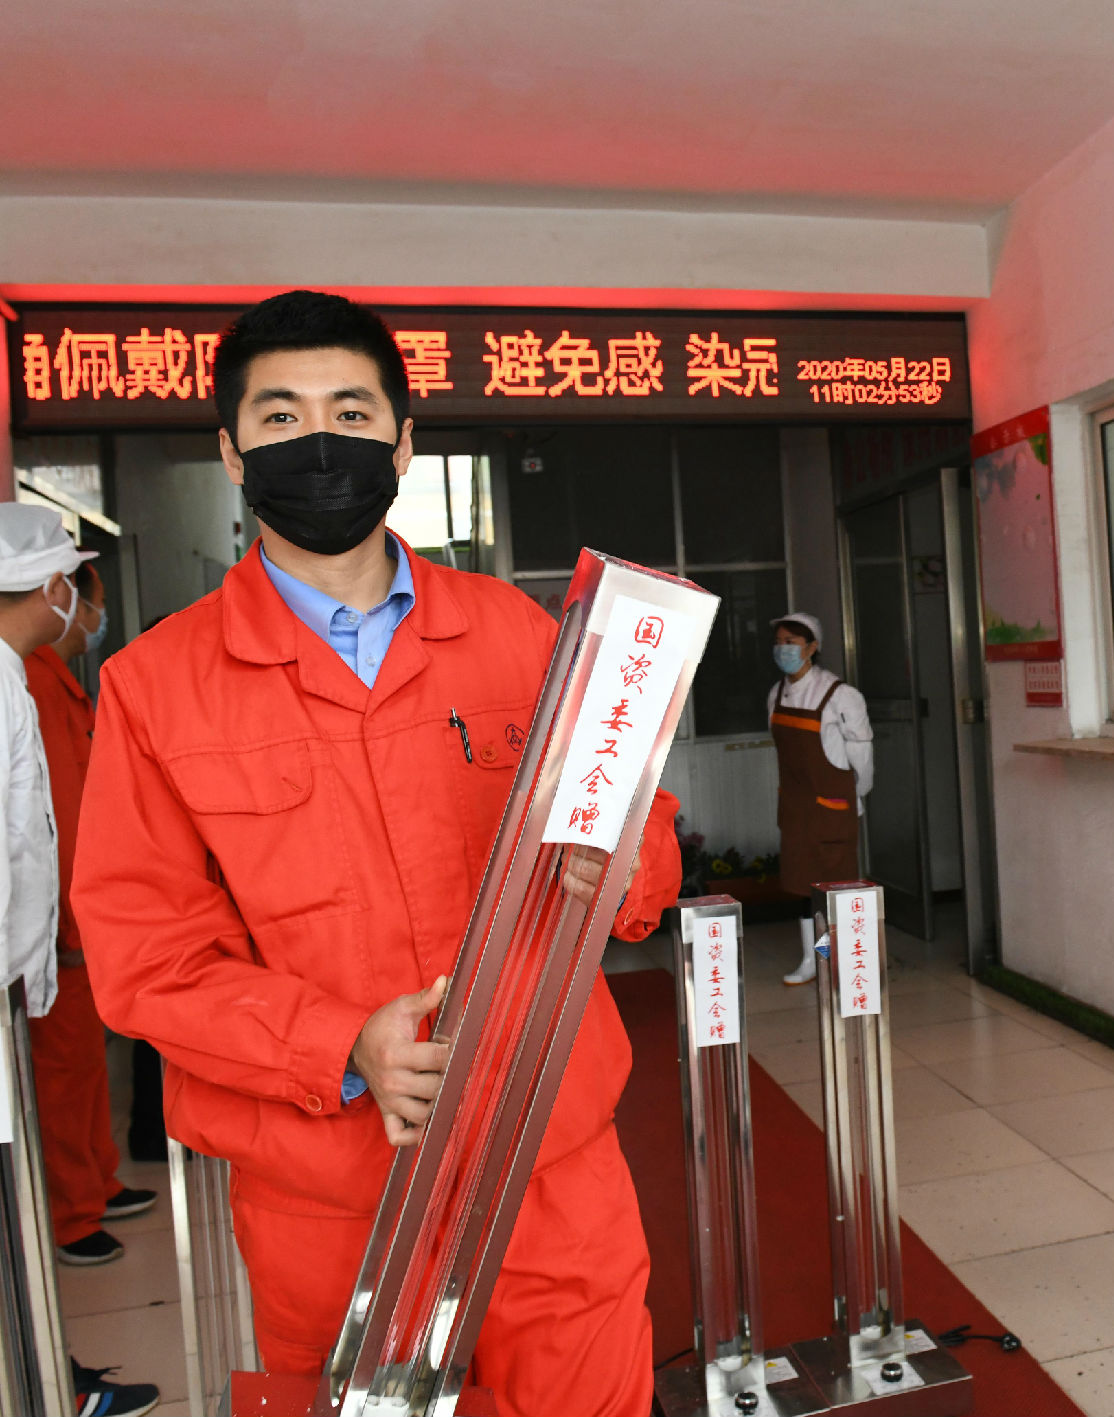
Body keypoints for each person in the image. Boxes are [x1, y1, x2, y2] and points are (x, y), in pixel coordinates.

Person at [73, 290, 681, 1417]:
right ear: (232, 452)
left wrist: (621, 867)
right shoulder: (156, 688)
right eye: (281, 416)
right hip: (328, 1195)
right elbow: (146, 957)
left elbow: (642, 827)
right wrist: (341, 1042)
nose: (320, 444)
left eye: (351, 413)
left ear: (403, 443)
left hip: (548, 1160)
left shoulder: (519, 633)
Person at [0, 505, 161, 1415]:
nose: (75, 602)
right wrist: (54, 934)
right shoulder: (12, 683)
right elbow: (27, 838)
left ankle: (49, 1367)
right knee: (51, 1089)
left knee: (70, 1080)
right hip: (33, 946)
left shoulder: (30, 679)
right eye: (67, 582)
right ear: (46, 587)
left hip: (44, 939)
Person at [24, 559, 157, 1269]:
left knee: (83, 1067)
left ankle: (97, 1182)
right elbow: (50, 821)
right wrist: (71, 924)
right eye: (93, 603)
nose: (95, 619)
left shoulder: (56, 681)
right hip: (57, 921)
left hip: (77, 911)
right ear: (65, 597)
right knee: (63, 1072)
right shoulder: (31, 685)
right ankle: (71, 1213)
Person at [767, 612, 873, 984]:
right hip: (796, 809)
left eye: (791, 642)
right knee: (802, 887)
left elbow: (861, 756)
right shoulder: (776, 694)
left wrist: (853, 796)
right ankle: (812, 959)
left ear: (812, 647)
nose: (782, 649)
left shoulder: (840, 695)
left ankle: (839, 960)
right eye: (779, 642)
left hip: (832, 809)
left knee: (834, 888)